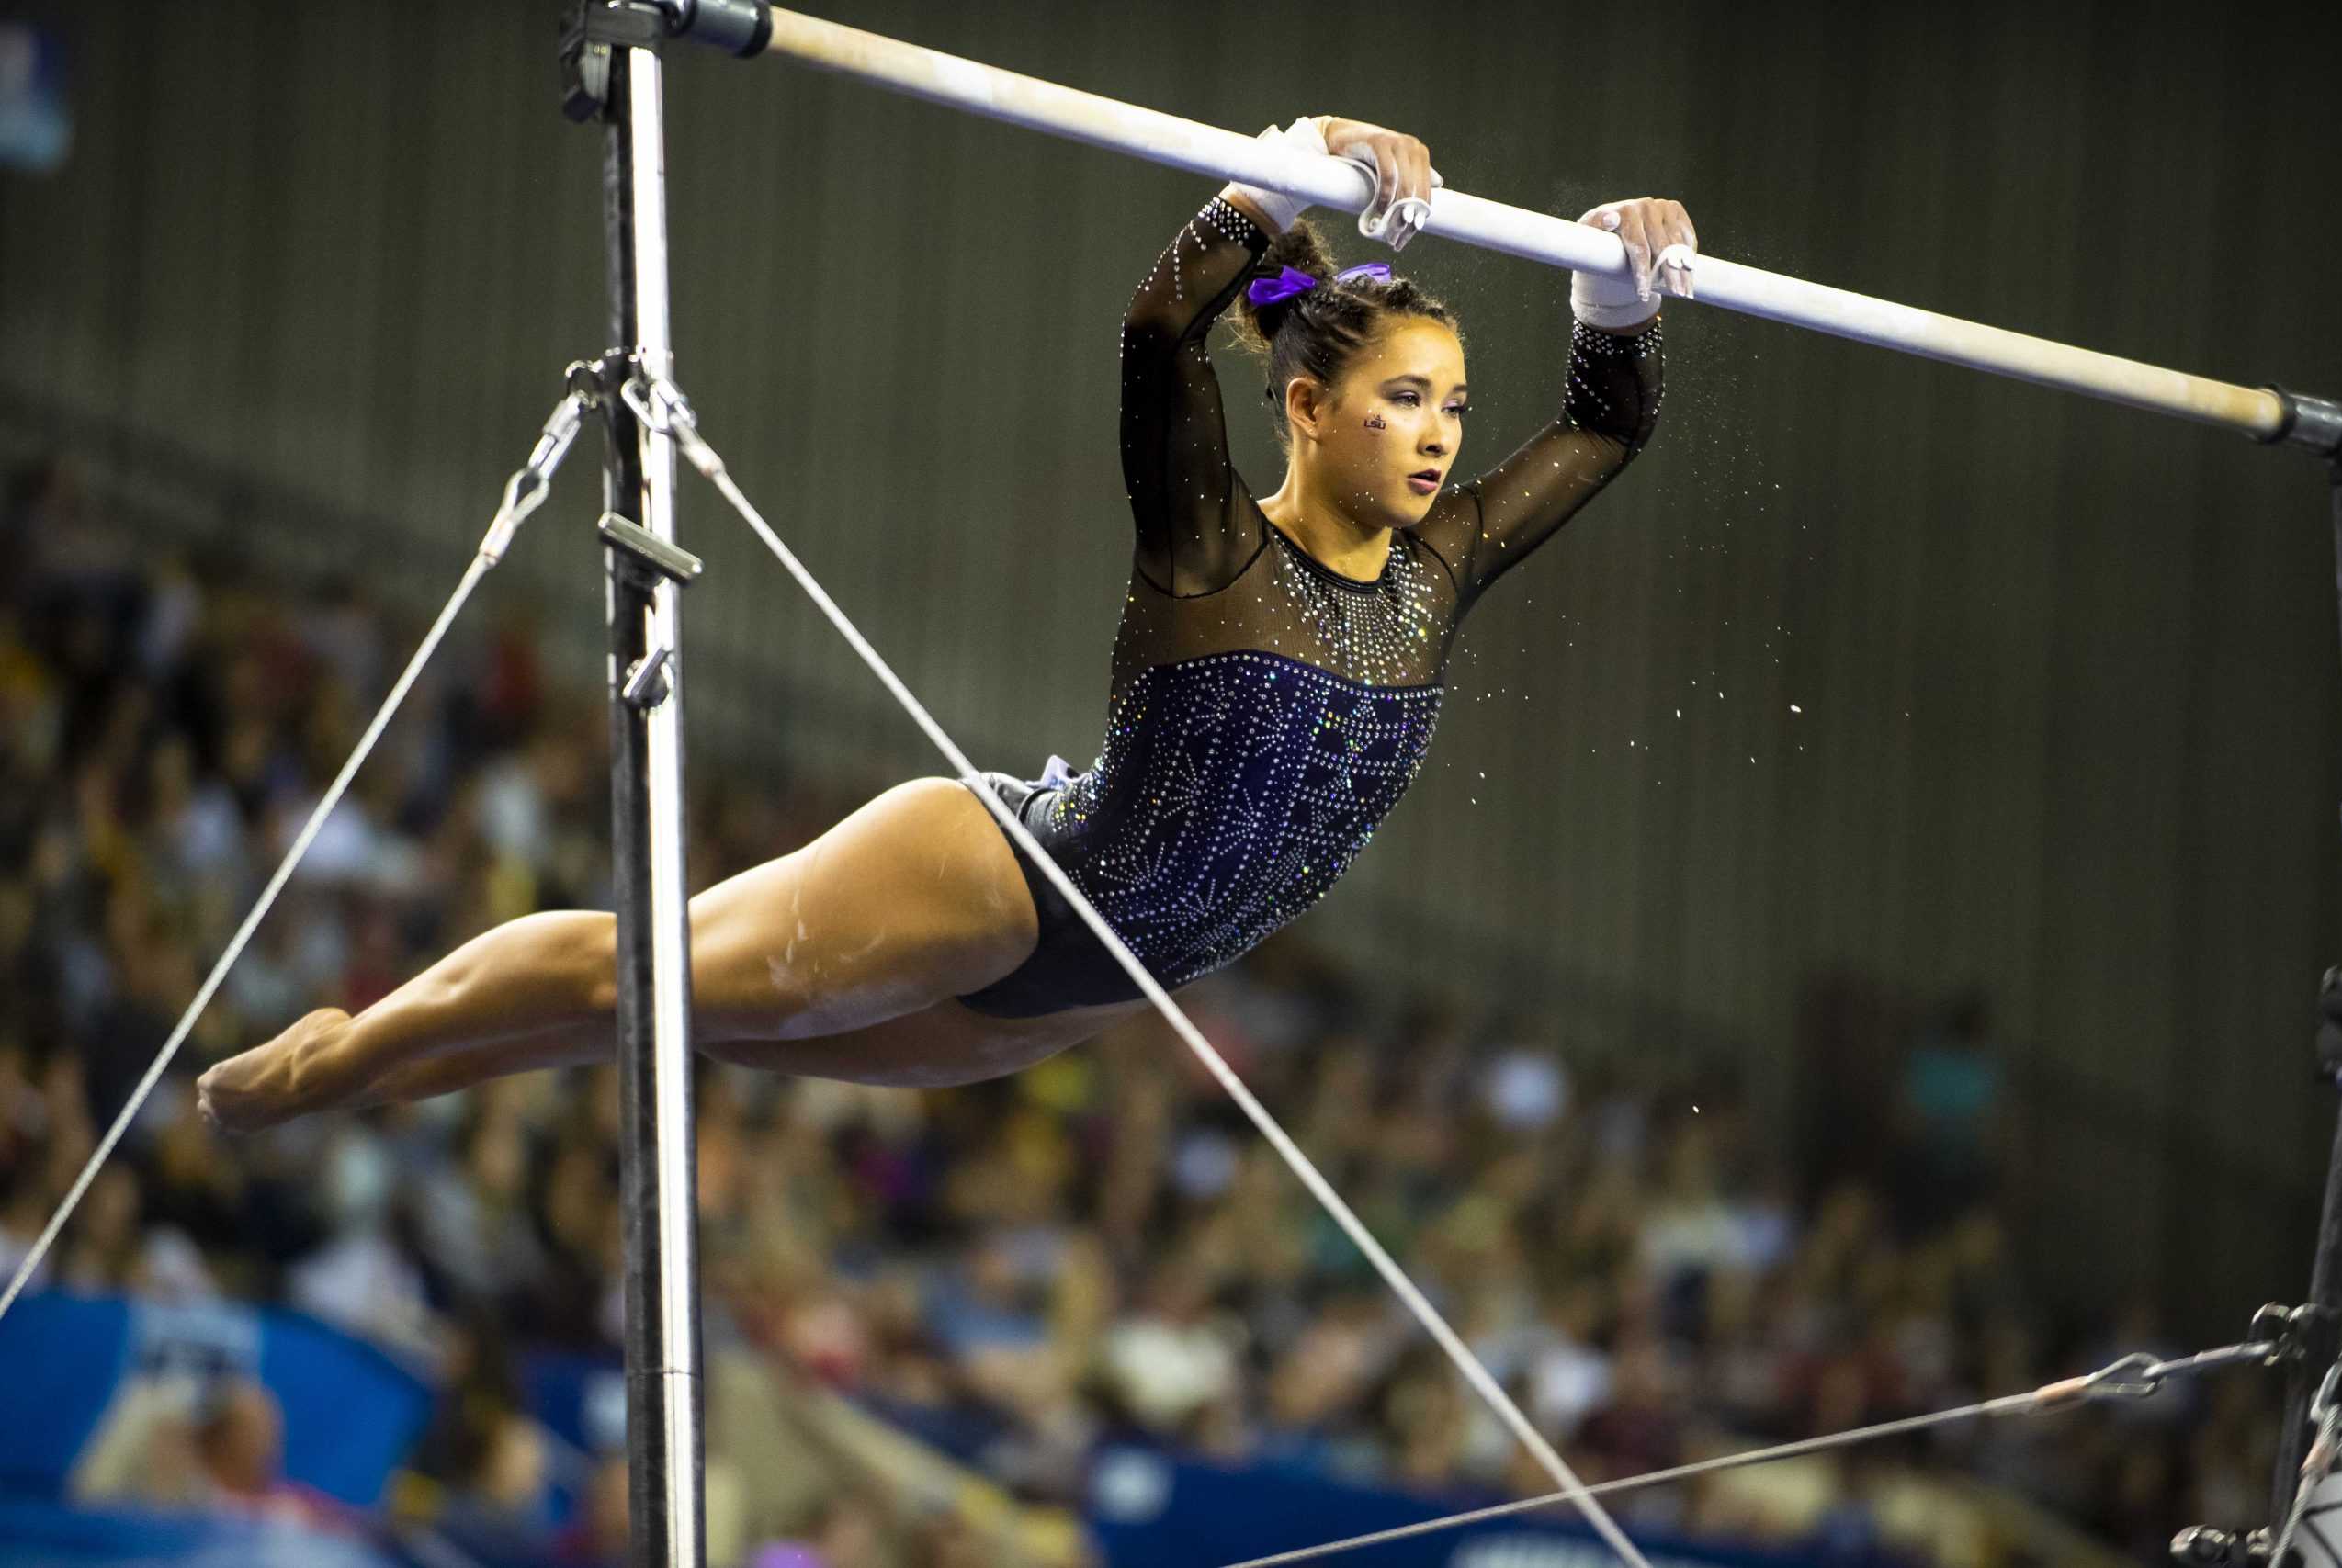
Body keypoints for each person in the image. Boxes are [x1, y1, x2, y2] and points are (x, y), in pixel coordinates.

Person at [198, 116, 1694, 1132]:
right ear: (1306, 406)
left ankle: (384, 1074)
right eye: (1403, 400)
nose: (1440, 441)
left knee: (678, 1038)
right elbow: (1162, 327)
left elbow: (1606, 425)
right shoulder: (1213, 543)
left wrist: (1611, 284)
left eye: (1453, 408)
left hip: (1072, 997)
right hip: (999, 884)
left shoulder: (1446, 571)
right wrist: (1283, 174)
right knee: (639, 976)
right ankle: (347, 1053)